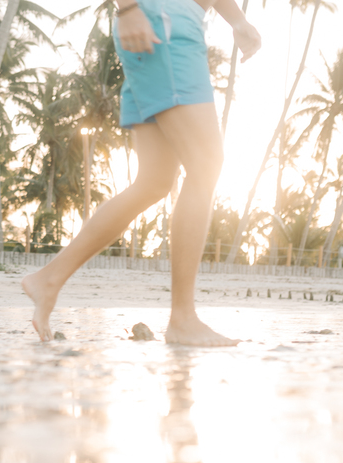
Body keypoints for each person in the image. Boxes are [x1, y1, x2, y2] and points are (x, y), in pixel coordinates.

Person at [21, 0, 261, 346]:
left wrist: (237, 19)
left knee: (154, 182)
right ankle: (183, 319)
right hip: (163, 22)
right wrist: (128, 7)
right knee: (206, 164)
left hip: (169, 24)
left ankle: (49, 278)